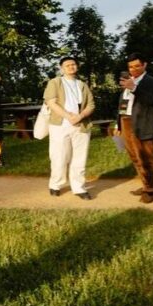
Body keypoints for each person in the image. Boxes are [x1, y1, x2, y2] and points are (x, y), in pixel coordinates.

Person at [43, 55, 96, 199]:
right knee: (59, 157)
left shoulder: (82, 85)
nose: (71, 67)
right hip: (61, 125)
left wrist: (80, 116)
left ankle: (79, 187)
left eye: (73, 64)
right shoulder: (55, 82)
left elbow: (91, 104)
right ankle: (55, 184)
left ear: (77, 67)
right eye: (67, 65)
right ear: (61, 69)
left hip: (81, 125)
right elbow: (51, 102)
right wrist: (69, 116)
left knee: (80, 157)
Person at [116, 53, 153, 203]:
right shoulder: (129, 81)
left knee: (146, 158)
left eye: (137, 66)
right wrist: (118, 123)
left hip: (143, 123)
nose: (133, 69)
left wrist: (134, 87)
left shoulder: (151, 81)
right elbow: (123, 104)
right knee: (135, 157)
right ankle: (145, 184)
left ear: (144, 65)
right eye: (130, 67)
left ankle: (150, 189)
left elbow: (151, 100)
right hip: (126, 122)